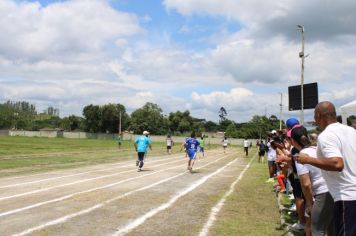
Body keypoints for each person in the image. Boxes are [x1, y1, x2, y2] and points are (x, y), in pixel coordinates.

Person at [295, 101, 356, 236]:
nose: (314, 121)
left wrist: (308, 160)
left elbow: (337, 164)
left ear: (319, 115)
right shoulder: (351, 131)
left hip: (346, 196)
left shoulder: (326, 135)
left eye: (315, 117)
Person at [291, 125, 334, 236]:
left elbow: (306, 184)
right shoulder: (318, 149)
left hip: (322, 193)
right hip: (334, 190)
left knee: (317, 230)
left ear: (294, 141)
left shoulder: (302, 156)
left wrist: (310, 204)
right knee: (331, 227)